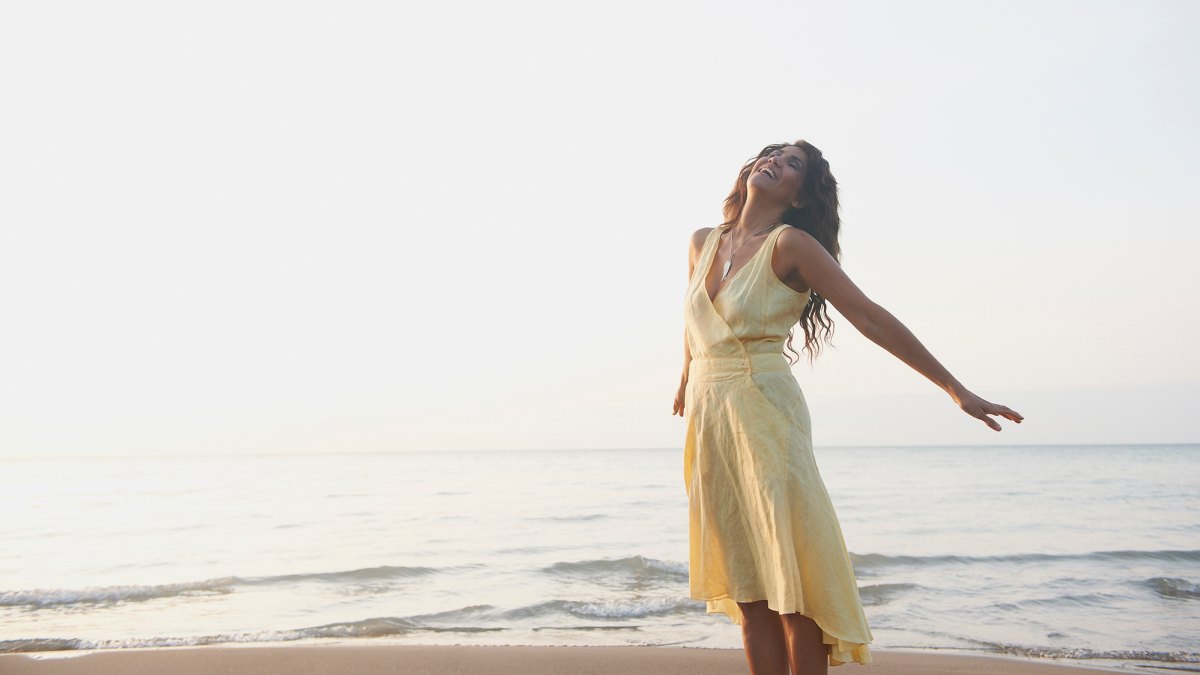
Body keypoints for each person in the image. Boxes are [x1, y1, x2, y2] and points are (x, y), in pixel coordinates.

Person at [671, 140, 1022, 675]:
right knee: (748, 583)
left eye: (793, 165)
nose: (775, 163)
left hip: (765, 412)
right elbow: (695, 319)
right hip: (711, 418)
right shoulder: (702, 242)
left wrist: (954, 389)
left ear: (798, 195)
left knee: (793, 579)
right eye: (772, 154)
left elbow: (869, 317)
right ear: (748, 169)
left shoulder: (791, 245)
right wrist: (684, 380)